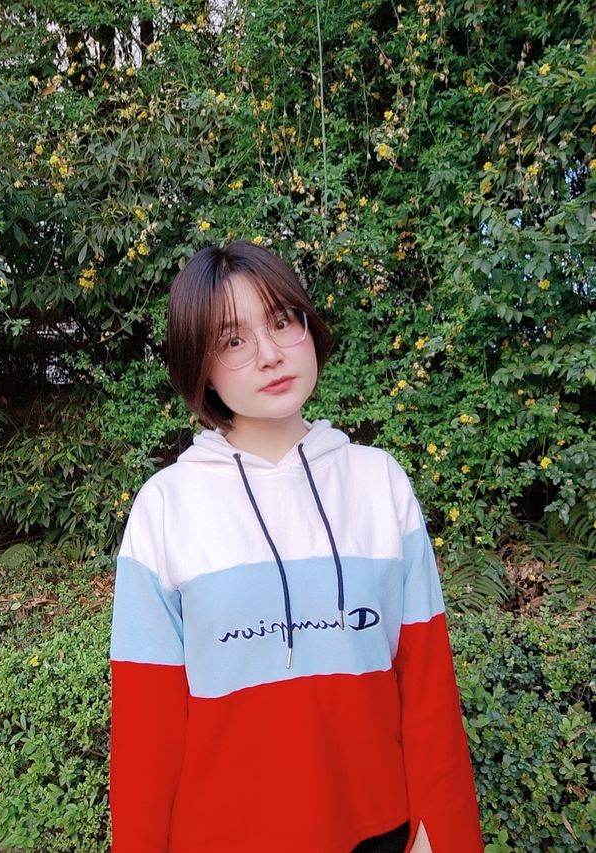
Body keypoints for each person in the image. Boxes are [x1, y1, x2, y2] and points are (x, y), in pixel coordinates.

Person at [109, 241, 484, 853]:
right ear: (200, 366)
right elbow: (146, 727)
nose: (270, 354)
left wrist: (440, 830)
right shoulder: (165, 507)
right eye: (233, 340)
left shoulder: (379, 482)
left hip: (377, 828)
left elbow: (426, 683)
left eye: (283, 321)